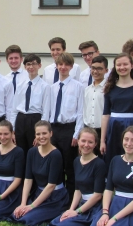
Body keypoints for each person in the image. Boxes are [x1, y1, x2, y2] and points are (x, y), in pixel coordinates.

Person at [44, 127, 106, 226]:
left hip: (94, 208)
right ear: (78, 141)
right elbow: (78, 190)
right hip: (82, 205)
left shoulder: (99, 164)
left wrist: (77, 212)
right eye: (83, 141)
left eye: (90, 142)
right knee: (55, 223)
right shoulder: (77, 161)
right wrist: (71, 210)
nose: (86, 145)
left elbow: (97, 195)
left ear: (95, 144)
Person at [10, 121, 69, 226]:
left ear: (51, 134)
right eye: (38, 134)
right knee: (16, 214)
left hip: (55, 198)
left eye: (44, 133)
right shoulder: (32, 152)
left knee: (27, 219)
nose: (41, 137)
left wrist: (31, 206)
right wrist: (23, 204)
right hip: (38, 194)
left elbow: (51, 185)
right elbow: (28, 179)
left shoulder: (56, 154)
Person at [44, 52, 84, 196]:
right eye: (60, 64)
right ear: (56, 66)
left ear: (71, 67)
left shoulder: (78, 86)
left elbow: (80, 112)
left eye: (66, 65)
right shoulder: (52, 88)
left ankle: (70, 198)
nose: (63, 67)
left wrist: (76, 133)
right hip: (54, 129)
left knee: (70, 165)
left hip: (69, 129)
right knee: (56, 164)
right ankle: (57, 195)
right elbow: (47, 111)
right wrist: (47, 132)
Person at [100, 53, 133, 166]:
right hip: (114, 128)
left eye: (125, 64)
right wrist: (102, 140)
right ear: (115, 67)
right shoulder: (110, 88)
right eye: (119, 65)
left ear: (131, 66)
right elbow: (105, 115)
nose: (122, 67)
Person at [9, 54, 50, 156]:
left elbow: (46, 110)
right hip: (21, 119)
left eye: (34, 64)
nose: (31, 67)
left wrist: (42, 130)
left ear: (39, 66)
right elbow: (14, 108)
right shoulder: (20, 84)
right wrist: (12, 129)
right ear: (25, 66)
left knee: (34, 150)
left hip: (35, 119)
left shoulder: (45, 86)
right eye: (28, 64)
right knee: (20, 150)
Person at [82, 55, 108, 155]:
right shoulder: (87, 89)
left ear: (106, 70)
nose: (95, 71)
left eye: (99, 69)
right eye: (93, 68)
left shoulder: (109, 89)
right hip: (88, 130)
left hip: (102, 131)